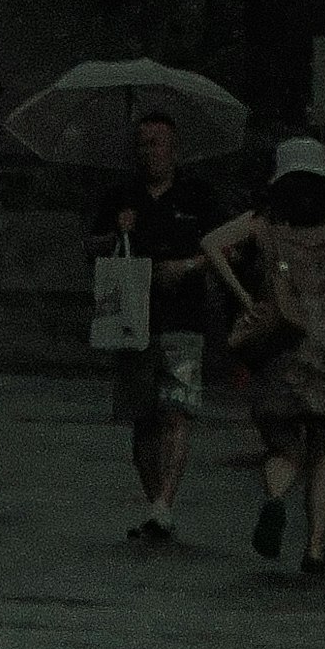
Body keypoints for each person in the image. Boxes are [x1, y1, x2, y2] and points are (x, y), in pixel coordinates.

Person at [204, 138, 325, 578]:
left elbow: (211, 243)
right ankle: (316, 548)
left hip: (280, 345)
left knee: (282, 447)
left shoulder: (266, 224)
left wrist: (245, 300)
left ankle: (276, 498)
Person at [99, 101, 220, 546]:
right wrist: (118, 232)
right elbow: (91, 247)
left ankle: (165, 503)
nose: (149, 152)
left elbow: (223, 249)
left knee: (177, 408)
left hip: (183, 318)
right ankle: (156, 506)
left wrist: (188, 267)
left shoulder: (197, 197)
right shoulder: (121, 196)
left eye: (157, 144)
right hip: (132, 319)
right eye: (142, 144)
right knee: (141, 418)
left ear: (174, 149)